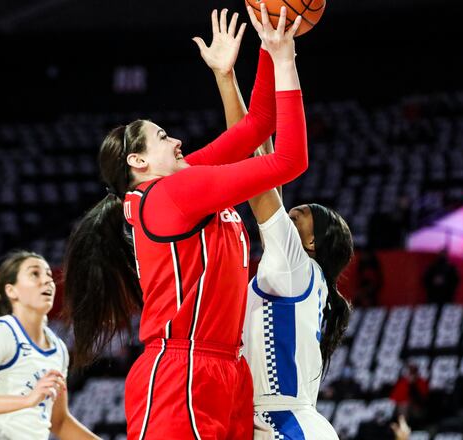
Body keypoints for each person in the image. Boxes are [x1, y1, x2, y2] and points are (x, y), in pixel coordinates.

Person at [63, 5, 307, 439]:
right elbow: (289, 159)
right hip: (183, 371)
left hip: (225, 367)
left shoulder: (176, 187)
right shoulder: (174, 194)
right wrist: (285, 57)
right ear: (137, 161)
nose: (177, 141)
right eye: (162, 137)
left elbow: (257, 126)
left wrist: (266, 48)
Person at [202, 10, 352, 438]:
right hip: (289, 423)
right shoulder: (302, 275)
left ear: (311, 243)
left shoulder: (294, 267)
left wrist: (275, 61)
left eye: (302, 213)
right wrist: (233, 74)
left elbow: (255, 162)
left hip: (284, 425)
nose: (293, 209)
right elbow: (262, 160)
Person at [0, 251, 98, 439]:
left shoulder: (58, 349)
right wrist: (27, 400)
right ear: (12, 291)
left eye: (49, 275)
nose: (47, 281)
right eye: (35, 274)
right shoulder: (1, 333)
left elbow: (60, 422)